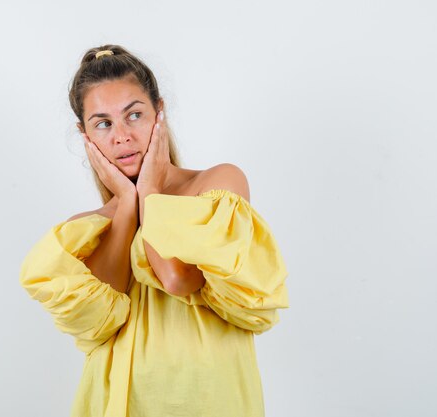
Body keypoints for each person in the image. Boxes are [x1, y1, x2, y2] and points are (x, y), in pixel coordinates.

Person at [19, 44, 289, 417]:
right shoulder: (84, 232)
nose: (121, 136)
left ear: (159, 113)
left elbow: (179, 278)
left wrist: (148, 190)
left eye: (134, 115)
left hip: (210, 402)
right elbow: (102, 321)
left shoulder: (217, 186)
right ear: (86, 137)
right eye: (103, 123)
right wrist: (126, 206)